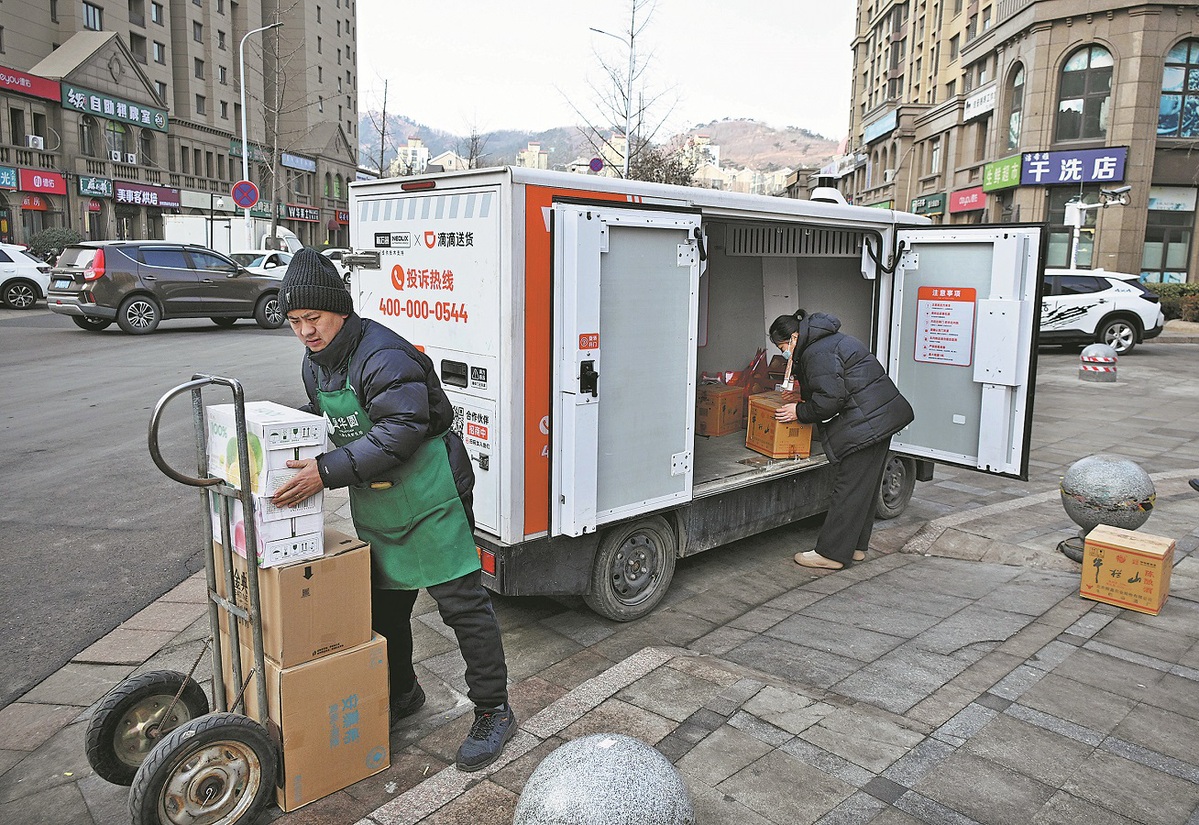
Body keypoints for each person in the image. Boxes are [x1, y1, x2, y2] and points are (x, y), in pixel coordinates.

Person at [270, 248, 514, 772]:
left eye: (313, 318)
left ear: (340, 309)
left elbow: (399, 430)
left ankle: (494, 710)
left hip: (431, 497)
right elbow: (325, 416)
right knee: (384, 610)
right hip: (379, 504)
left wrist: (326, 471)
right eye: (294, 322)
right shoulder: (317, 365)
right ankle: (403, 693)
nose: (305, 332)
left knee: (463, 607)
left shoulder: (383, 354)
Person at [769, 309, 914, 571]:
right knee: (864, 489)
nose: (784, 354)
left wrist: (799, 411)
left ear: (793, 337)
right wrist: (803, 400)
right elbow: (836, 387)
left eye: (782, 347)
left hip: (867, 423)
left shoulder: (817, 352)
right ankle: (856, 547)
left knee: (847, 490)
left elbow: (830, 400)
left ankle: (831, 554)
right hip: (880, 418)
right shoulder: (828, 341)